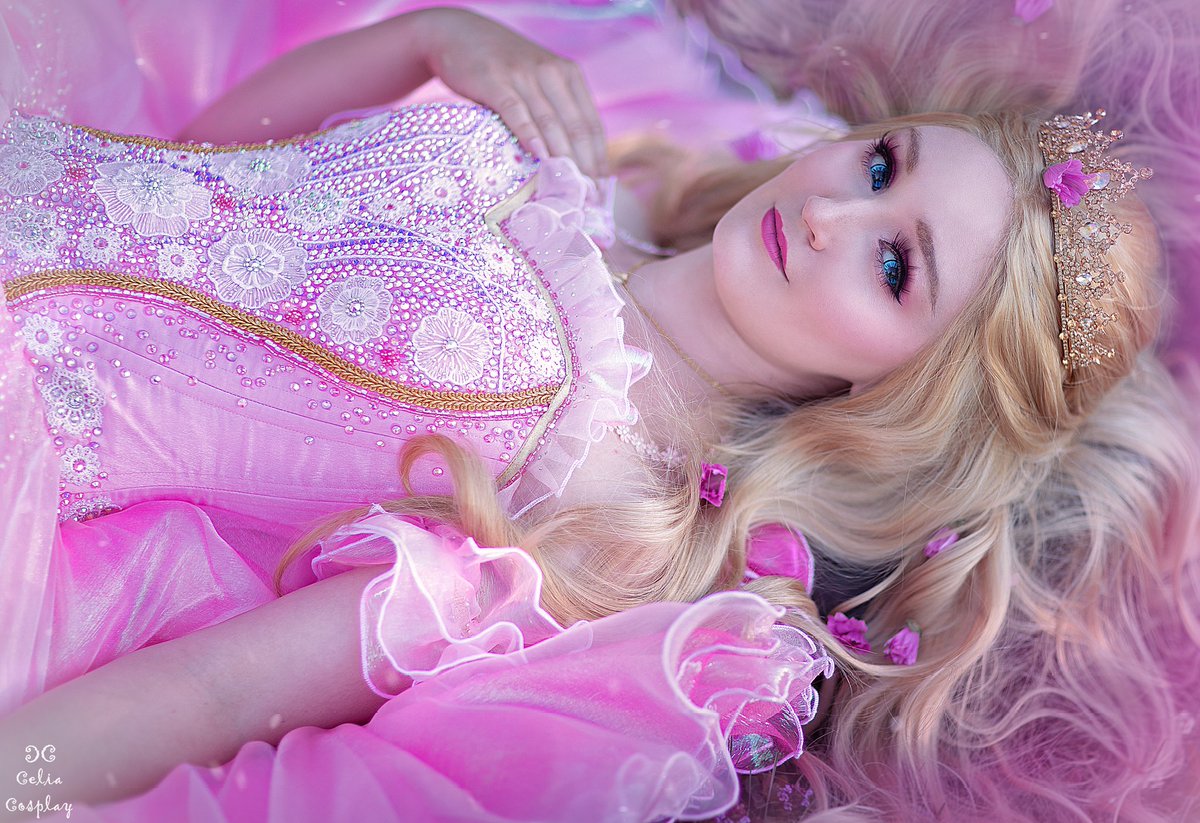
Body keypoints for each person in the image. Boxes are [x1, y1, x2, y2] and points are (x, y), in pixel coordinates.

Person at [0, 2, 1197, 822]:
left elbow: (211, 693)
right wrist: (428, 38)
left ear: (896, 395)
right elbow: (207, 157)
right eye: (882, 165)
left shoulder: (595, 512)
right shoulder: (576, 170)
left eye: (895, 267)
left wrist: (20, 782)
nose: (833, 213)